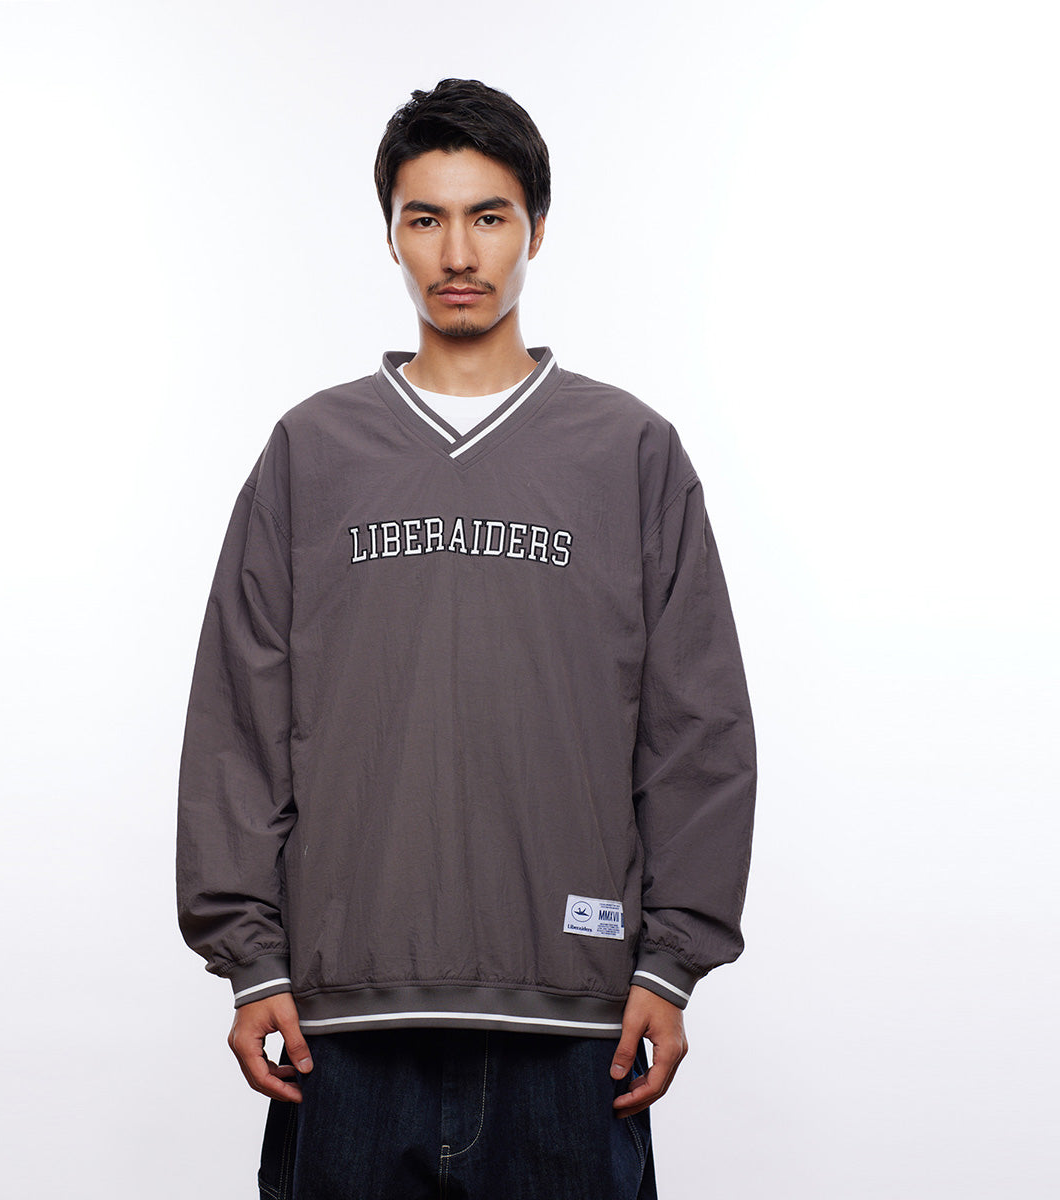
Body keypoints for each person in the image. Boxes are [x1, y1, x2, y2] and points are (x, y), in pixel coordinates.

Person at [176, 78, 757, 1200]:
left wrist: (671, 965)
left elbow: (698, 724)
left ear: (536, 228)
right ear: (390, 233)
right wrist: (250, 963)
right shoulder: (312, 451)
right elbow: (238, 723)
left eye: (488, 216)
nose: (457, 253)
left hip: (577, 1025)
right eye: (425, 218)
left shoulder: (630, 452)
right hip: (342, 1028)